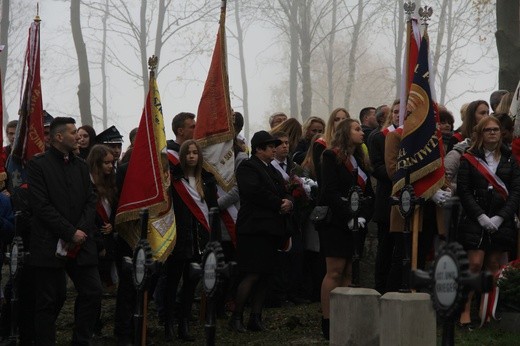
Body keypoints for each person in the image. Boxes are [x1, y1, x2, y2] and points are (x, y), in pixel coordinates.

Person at [27, 117, 101, 345]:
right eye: (72, 133)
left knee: (93, 292)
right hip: (50, 244)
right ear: (59, 137)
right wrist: (69, 232)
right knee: (51, 300)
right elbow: (41, 206)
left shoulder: (81, 165)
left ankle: (81, 341)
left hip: (81, 242)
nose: (78, 136)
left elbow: (91, 201)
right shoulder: (38, 165)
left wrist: (79, 231)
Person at [456, 116, 520, 328]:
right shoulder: (468, 158)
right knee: (474, 264)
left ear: (501, 133)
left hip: (501, 220)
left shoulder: (511, 160)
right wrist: (482, 217)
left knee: (493, 266)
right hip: (476, 220)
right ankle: (464, 311)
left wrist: (500, 217)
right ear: (480, 134)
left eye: (496, 130)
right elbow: (464, 192)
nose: (492, 133)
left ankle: (487, 312)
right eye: (488, 130)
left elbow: (516, 192)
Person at [229, 131, 293, 333]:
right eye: (270, 146)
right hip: (253, 229)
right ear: (259, 149)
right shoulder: (248, 167)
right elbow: (253, 191)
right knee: (252, 273)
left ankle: (255, 317)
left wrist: (288, 200)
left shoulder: (271, 170)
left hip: (271, 230)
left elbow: (283, 189)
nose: (275, 149)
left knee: (266, 275)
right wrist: (278, 203)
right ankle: (236, 316)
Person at [318, 119, 374, 340]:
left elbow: (369, 193)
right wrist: (348, 216)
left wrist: (361, 216)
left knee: (351, 271)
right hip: (337, 223)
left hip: (356, 223)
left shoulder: (360, 158)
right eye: (357, 129)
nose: (362, 133)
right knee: (335, 271)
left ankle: (345, 317)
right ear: (345, 132)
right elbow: (329, 191)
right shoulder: (331, 156)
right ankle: (328, 320)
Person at [166, 139, 217, 341]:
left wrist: (213, 242)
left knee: (190, 285)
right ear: (182, 156)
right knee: (171, 283)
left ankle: (184, 325)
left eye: (195, 152)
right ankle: (169, 323)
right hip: (178, 241)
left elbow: (213, 212)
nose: (192, 156)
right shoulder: (174, 180)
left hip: (200, 242)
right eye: (188, 153)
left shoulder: (207, 180)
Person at [313, 108, 349, 185]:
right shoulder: (321, 144)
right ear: (331, 123)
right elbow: (320, 175)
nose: (341, 122)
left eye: (344, 119)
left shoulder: (352, 143)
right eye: (337, 119)